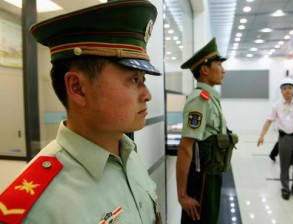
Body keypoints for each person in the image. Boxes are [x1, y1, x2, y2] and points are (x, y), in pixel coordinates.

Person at [0, 1, 162, 223]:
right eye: (134, 79)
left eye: (143, 80)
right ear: (78, 88)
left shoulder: (128, 155)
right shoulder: (33, 208)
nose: (147, 94)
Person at [176, 38, 235, 224]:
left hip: (212, 173)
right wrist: (182, 195)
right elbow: (186, 147)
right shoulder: (199, 101)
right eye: (219, 64)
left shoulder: (210, 98)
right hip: (202, 178)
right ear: (205, 69)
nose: (223, 70)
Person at [258, 77, 293, 201]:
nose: (287, 91)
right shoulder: (276, 105)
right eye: (285, 88)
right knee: (284, 165)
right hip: (284, 139)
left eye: (290, 88)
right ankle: (285, 189)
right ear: (281, 91)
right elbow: (268, 121)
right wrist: (261, 136)